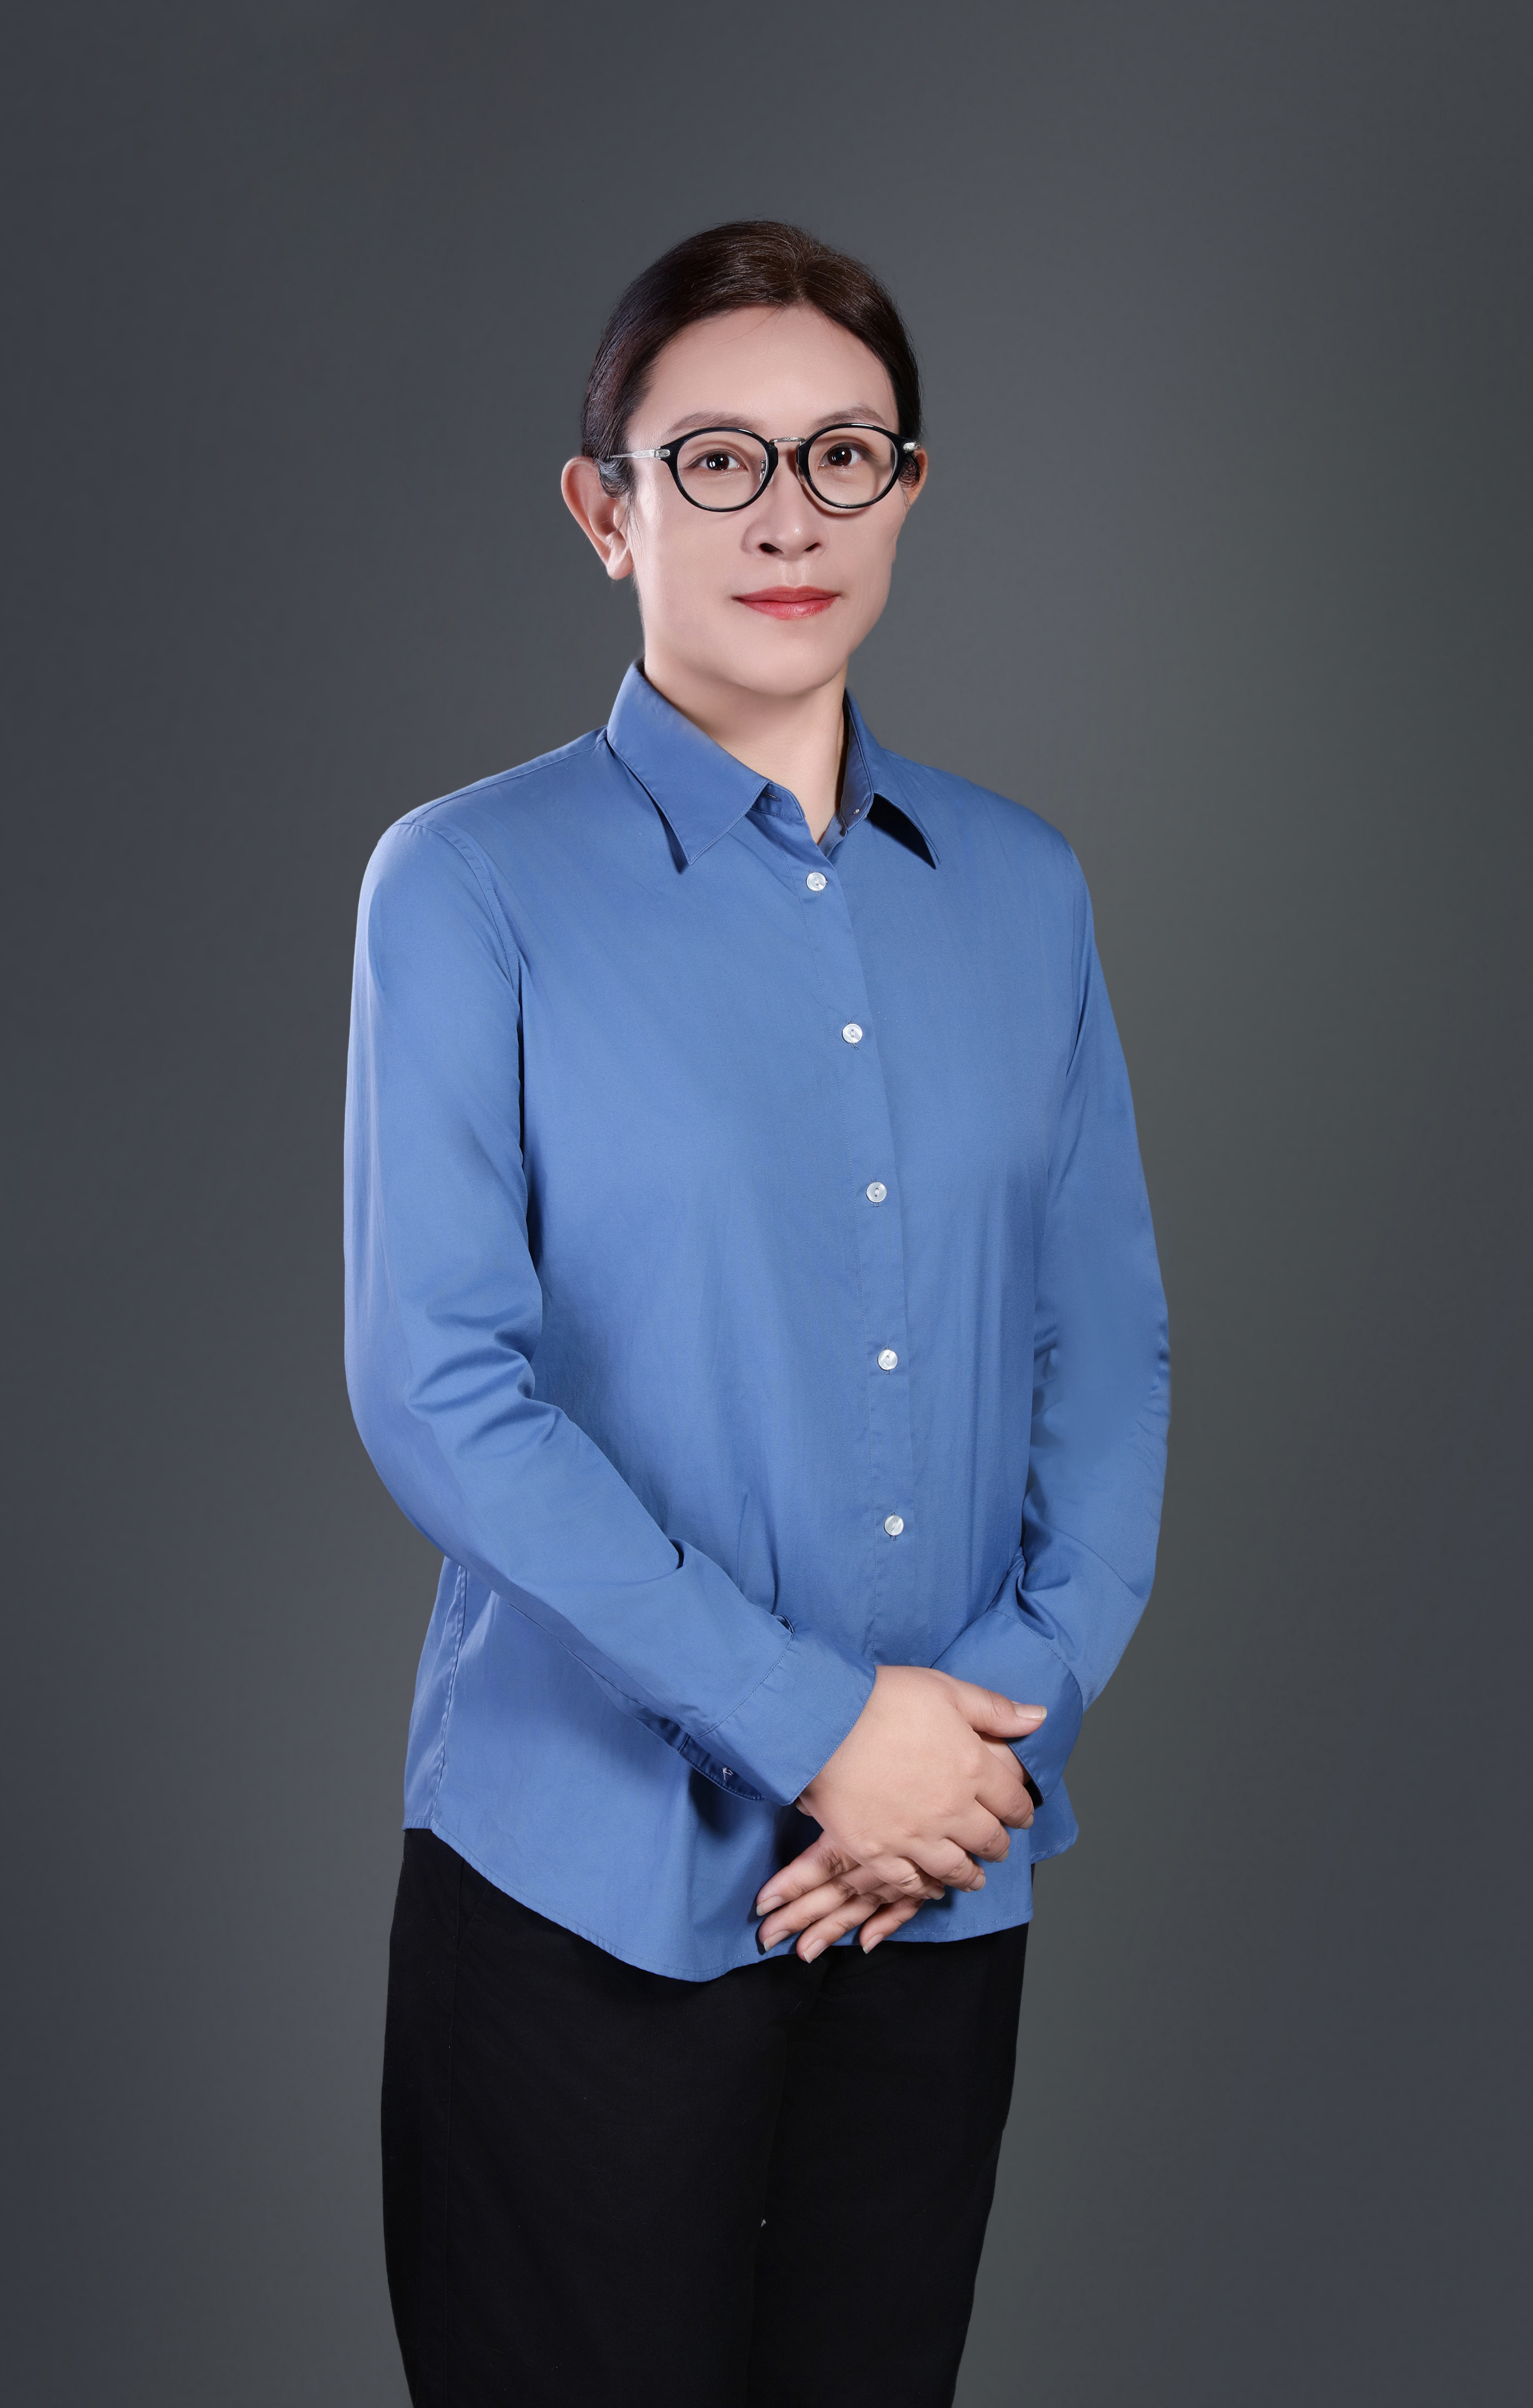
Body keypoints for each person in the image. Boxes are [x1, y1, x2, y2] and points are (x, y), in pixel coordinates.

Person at [345, 219, 1169, 2408]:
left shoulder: (1027, 889)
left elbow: (1108, 1357)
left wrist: (988, 1741)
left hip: (935, 1888)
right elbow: (439, 1384)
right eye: (715, 459)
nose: (787, 515)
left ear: (908, 492)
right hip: (581, 1903)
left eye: (843, 455)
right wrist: (822, 1735)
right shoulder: (469, 885)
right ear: (604, 508)